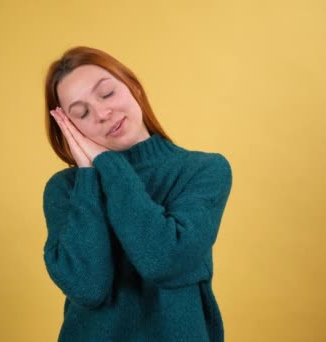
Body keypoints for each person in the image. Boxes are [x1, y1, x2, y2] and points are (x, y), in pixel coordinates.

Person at [42, 46, 232, 342]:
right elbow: (88, 287)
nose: (103, 114)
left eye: (107, 94)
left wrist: (107, 164)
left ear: (134, 87)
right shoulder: (66, 189)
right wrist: (91, 176)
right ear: (70, 128)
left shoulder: (204, 170)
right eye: (82, 113)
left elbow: (164, 260)